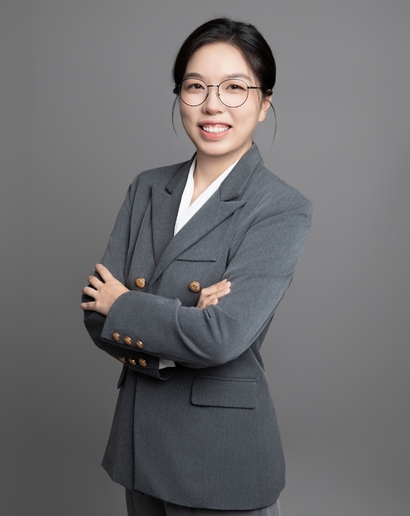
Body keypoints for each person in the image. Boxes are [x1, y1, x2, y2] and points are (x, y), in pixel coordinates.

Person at [81, 17, 312, 516]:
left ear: (264, 102)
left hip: (220, 455)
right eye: (195, 86)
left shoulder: (280, 207)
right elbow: (95, 314)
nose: (213, 105)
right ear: (179, 95)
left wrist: (128, 306)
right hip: (140, 442)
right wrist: (187, 319)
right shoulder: (147, 188)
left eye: (235, 87)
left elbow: (222, 337)